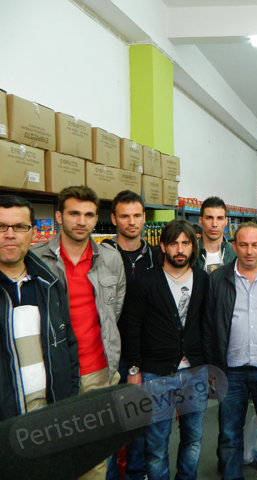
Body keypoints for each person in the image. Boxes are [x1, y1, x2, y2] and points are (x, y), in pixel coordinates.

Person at [31, 185, 126, 480]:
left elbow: (113, 312)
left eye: (89, 215)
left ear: (96, 219)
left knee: (94, 458)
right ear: (59, 216)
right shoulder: (35, 260)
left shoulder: (111, 259)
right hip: (53, 375)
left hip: (99, 372)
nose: (81, 221)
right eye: (74, 213)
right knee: (53, 454)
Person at [123, 219, 208, 480]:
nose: (180, 250)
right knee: (157, 445)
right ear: (162, 246)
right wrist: (134, 368)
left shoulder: (203, 279)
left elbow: (207, 324)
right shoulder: (146, 281)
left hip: (195, 372)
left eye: (185, 243)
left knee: (193, 439)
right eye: (173, 244)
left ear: (193, 246)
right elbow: (132, 327)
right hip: (156, 374)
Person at [203, 223, 257, 480]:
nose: (250, 251)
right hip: (231, 372)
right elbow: (208, 326)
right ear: (234, 246)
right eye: (244, 245)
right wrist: (212, 368)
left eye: (255, 245)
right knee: (229, 437)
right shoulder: (218, 278)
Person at [0, 195, 79, 421]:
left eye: (20, 227)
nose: (10, 234)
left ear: (34, 233)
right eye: (1, 226)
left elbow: (68, 346)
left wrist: (69, 399)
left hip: (50, 416)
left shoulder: (50, 285)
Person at [103, 190, 158, 480]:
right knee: (109, 423)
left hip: (147, 353)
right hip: (110, 353)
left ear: (144, 217)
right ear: (114, 219)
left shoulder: (157, 256)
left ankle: (137, 474)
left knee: (139, 421)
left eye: (137, 215)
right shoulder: (101, 256)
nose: (132, 221)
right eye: (124, 216)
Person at [195, 196, 236, 273]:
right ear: (201, 221)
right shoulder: (190, 252)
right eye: (209, 218)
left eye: (219, 218)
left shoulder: (236, 252)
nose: (214, 224)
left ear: (226, 221)